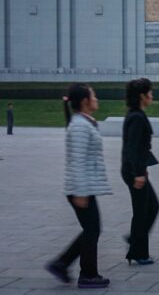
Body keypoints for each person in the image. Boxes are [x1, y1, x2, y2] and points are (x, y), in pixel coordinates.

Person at [45, 83, 111, 289]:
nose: (97, 99)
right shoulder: (80, 127)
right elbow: (78, 160)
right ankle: (87, 275)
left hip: (84, 186)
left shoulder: (83, 123)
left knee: (91, 229)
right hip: (80, 188)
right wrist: (81, 192)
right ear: (84, 101)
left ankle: (62, 264)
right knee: (92, 230)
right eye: (94, 96)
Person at [121, 78, 159, 266]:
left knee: (151, 207)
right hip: (133, 171)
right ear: (142, 96)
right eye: (150, 93)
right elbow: (133, 148)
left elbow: (138, 148)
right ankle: (137, 252)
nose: (152, 96)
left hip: (136, 169)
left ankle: (134, 241)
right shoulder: (136, 117)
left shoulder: (136, 114)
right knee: (142, 211)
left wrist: (143, 169)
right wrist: (138, 173)